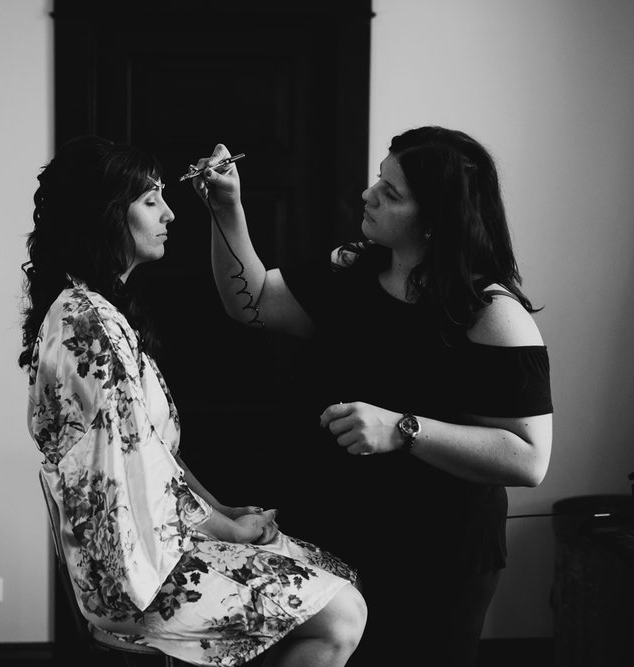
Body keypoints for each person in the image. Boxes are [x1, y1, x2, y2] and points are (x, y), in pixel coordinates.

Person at [189, 126, 553, 667]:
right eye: (378, 180)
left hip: (437, 555)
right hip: (332, 532)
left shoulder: (493, 313)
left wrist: (403, 428)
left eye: (391, 192)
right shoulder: (354, 272)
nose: (368, 195)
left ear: (435, 220)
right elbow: (254, 301)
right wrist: (226, 208)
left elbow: (528, 459)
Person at [20, 136, 367, 667]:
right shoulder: (87, 323)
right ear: (107, 214)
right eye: (151, 200)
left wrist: (224, 511)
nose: (171, 214)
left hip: (153, 542)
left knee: (332, 572)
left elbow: (156, 452)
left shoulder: (102, 310)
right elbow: (134, 473)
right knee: (342, 613)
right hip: (132, 571)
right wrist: (227, 530)